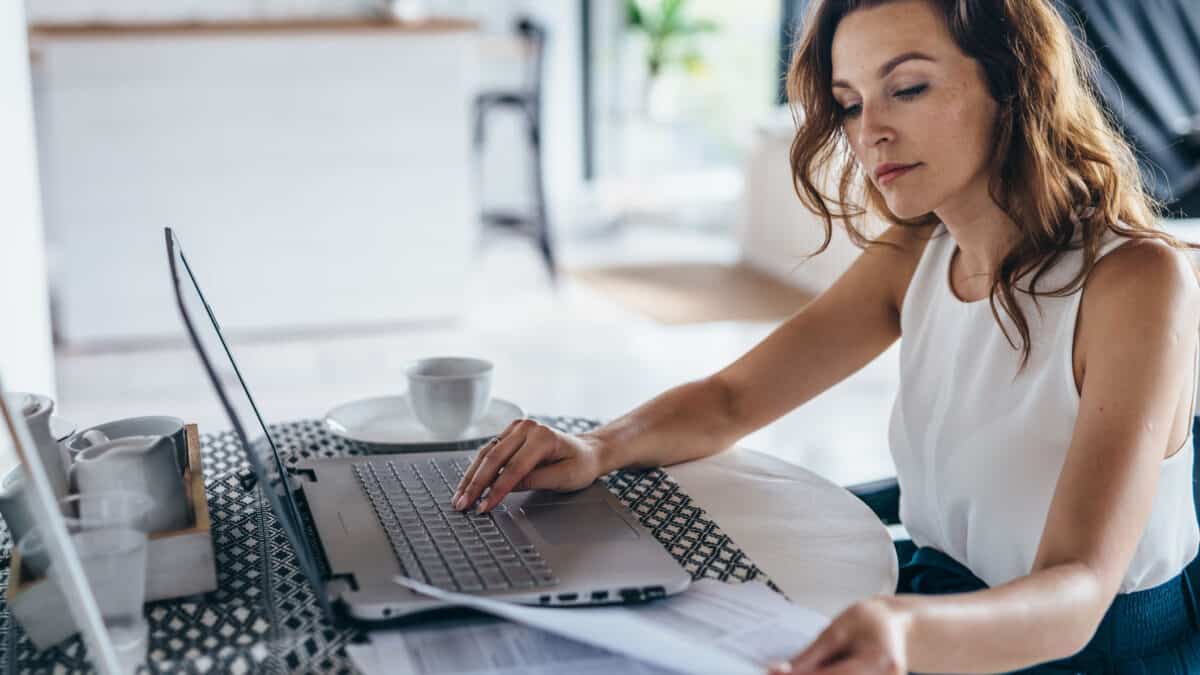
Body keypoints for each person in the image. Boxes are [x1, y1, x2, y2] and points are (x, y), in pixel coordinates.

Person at [452, 0, 1200, 671]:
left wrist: (905, 634)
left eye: (907, 88)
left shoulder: (1135, 282)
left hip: (1085, 652)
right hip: (932, 615)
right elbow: (731, 398)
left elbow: (1078, 590)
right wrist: (599, 447)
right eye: (848, 104)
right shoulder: (918, 249)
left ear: (1012, 84)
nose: (870, 132)